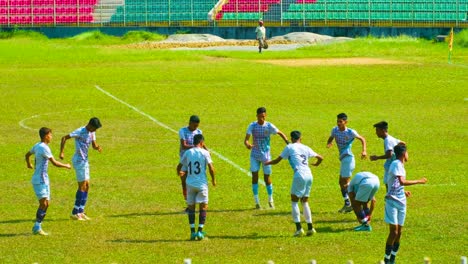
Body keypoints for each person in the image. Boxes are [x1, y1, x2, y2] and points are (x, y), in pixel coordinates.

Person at [265, 131, 323, 237]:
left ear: (291, 138)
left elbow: (277, 161)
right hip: (309, 175)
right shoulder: (306, 147)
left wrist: (267, 163)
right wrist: (316, 164)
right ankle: (310, 228)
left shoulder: (290, 147)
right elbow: (320, 157)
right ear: (301, 138)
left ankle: (299, 229)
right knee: (305, 201)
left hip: (299, 174)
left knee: (294, 201)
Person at [383, 144, 427, 264]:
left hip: (401, 201)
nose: (408, 155)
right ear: (403, 154)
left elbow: (395, 182)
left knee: (399, 232)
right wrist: (419, 181)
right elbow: (402, 181)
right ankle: (386, 259)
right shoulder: (396, 163)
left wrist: (403, 191)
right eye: (407, 152)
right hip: (392, 201)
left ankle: (393, 257)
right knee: (394, 231)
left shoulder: (400, 165)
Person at [25, 127, 71, 235]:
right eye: (50, 135)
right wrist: (66, 165)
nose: (51, 137)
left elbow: (27, 154)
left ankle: (38, 226)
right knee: (44, 203)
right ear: (46, 136)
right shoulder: (44, 148)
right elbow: (54, 163)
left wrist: (28, 163)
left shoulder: (37, 145)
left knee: (47, 203)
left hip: (44, 179)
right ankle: (37, 226)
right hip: (39, 179)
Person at [244, 107, 289, 209]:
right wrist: (248, 144)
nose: (262, 119)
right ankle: (257, 201)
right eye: (260, 117)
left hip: (266, 157)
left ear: (266, 115)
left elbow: (280, 133)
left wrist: (287, 143)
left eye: (263, 117)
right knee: (254, 176)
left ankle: (270, 199)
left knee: (267, 178)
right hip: (254, 155)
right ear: (257, 116)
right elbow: (246, 139)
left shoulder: (269, 126)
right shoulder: (252, 125)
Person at [60, 117, 102, 221]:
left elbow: (94, 145)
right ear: (90, 125)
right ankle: (75, 212)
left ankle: (81, 211)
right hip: (79, 161)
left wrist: (97, 147)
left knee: (87, 186)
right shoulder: (80, 131)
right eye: (95, 128)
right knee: (82, 186)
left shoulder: (92, 133)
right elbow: (64, 138)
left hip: (85, 161)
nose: (95, 131)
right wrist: (61, 152)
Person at [326, 113, 367, 213]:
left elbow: (362, 139)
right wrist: (329, 142)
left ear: (346, 122)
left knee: (346, 183)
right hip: (343, 159)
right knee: (341, 182)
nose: (339, 123)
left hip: (348, 159)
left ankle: (357, 201)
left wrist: (364, 150)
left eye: (341, 121)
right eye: (338, 121)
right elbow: (331, 137)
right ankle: (348, 203)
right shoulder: (334, 130)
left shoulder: (350, 132)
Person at [178, 134, 216, 241]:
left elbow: (180, 166)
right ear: (202, 142)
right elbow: (211, 168)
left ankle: (192, 232)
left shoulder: (188, 152)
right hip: (202, 184)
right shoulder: (205, 152)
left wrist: (179, 173)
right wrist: (213, 180)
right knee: (203, 207)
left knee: (191, 208)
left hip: (190, 184)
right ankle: (200, 231)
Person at [176, 115, 205, 208]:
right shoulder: (183, 131)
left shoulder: (199, 131)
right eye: (194, 126)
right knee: (184, 182)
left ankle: (191, 205)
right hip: (185, 159)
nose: (195, 128)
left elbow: (202, 144)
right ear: (189, 123)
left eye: (197, 126)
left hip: (195, 159)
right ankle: (188, 202)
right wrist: (196, 147)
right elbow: (184, 145)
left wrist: (206, 150)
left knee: (193, 182)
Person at [370, 121, 405, 190]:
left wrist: (377, 157)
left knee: (389, 190)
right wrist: (404, 158)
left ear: (383, 130)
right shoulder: (391, 138)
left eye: (377, 130)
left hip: (391, 168)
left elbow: (389, 154)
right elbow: (403, 143)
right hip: (394, 167)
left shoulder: (387, 140)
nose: (376, 132)